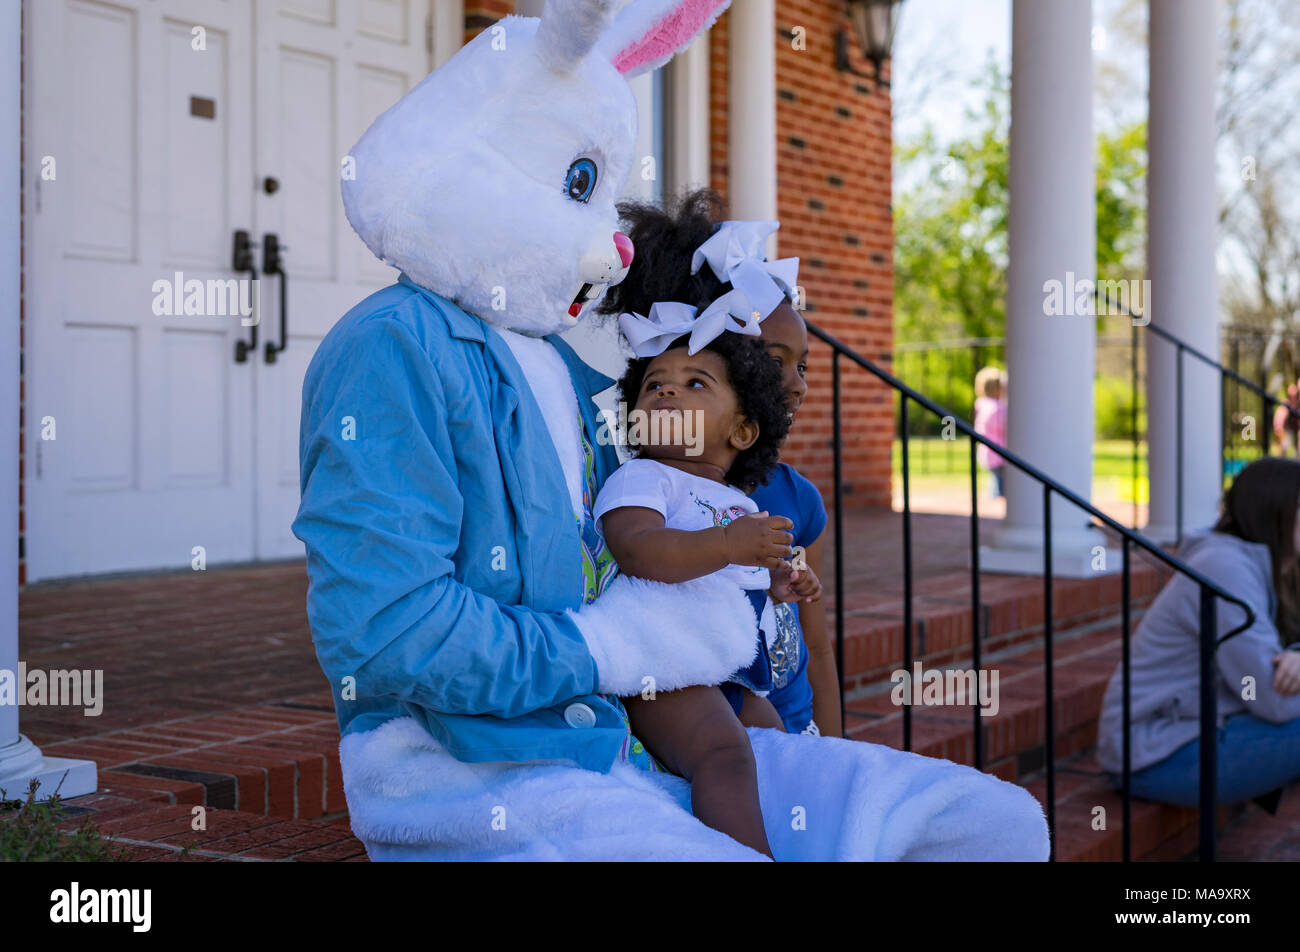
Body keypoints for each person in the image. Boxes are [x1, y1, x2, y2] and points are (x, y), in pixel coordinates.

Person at [596, 190, 841, 738]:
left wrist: (833, 746)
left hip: (790, 732)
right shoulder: (652, 482)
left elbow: (816, 647)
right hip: (711, 724)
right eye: (774, 363)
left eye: (802, 365)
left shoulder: (798, 500)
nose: (797, 384)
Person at [594, 321, 809, 857]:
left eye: (695, 383)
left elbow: (738, 581)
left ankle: (794, 836)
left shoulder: (737, 502)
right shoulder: (645, 478)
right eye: (653, 384)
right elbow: (639, 549)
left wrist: (777, 580)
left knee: (778, 745)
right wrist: (732, 545)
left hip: (726, 673)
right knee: (725, 755)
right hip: (664, 665)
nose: (666, 388)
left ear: (740, 431)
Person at [1096, 456, 1300, 810]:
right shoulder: (1224, 567)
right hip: (1155, 751)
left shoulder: (1269, 565)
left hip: (1206, 727)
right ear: (1276, 512)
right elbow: (1274, 697)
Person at [973, 367, 1008, 498]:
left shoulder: (980, 404)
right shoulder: (997, 408)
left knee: (994, 479)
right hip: (998, 452)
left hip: (986, 451)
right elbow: (1003, 427)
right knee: (999, 485)